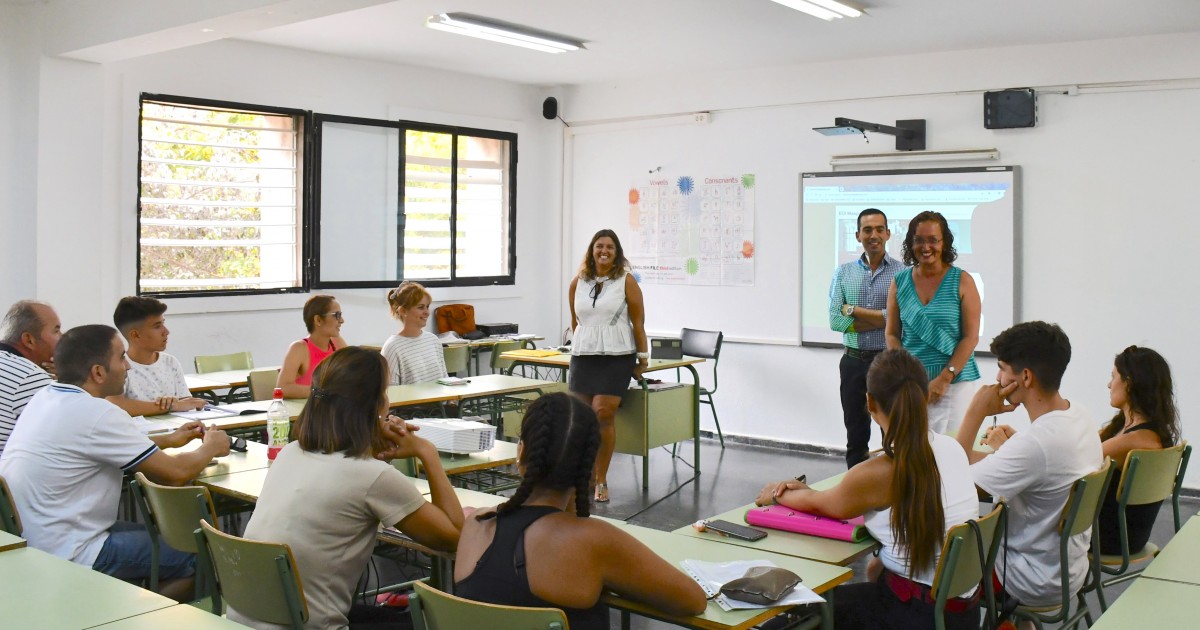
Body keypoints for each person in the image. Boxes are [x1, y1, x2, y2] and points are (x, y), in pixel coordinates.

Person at [226, 346, 463, 630]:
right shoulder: (372, 477)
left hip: (249, 620)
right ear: (374, 406)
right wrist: (427, 452)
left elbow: (345, 480)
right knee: (435, 622)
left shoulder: (290, 453)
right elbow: (454, 539)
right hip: (306, 626)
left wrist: (371, 445)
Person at [0, 324, 229, 601]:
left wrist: (169, 440)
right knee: (199, 553)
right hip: (72, 549)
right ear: (98, 372)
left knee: (168, 538)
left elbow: (94, 444)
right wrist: (211, 447)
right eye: (121, 357)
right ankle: (137, 615)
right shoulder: (98, 412)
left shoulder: (46, 397)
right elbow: (175, 473)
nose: (128, 366)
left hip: (36, 536)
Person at [754, 349, 979, 629]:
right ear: (925, 396)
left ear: (870, 401)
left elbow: (818, 504)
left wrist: (777, 495)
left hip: (915, 615)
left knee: (785, 623)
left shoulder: (880, 471)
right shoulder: (952, 448)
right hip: (961, 615)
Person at [455, 393, 706, 628]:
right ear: (589, 468)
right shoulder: (593, 541)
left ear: (521, 452)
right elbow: (692, 600)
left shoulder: (477, 522)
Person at [958, 321, 1103, 609]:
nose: (997, 378)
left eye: (1002, 368)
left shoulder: (1036, 444)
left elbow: (957, 485)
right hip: (1067, 569)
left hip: (1026, 578)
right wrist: (1007, 451)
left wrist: (975, 412)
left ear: (1025, 376)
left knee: (933, 566)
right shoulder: (1079, 415)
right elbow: (1030, 464)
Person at [567, 229, 649, 503]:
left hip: (617, 355)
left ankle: (601, 478)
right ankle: (583, 476)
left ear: (617, 253)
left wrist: (643, 358)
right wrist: (580, 346)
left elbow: (638, 323)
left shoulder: (627, 281)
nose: (604, 251)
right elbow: (575, 322)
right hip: (584, 355)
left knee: (602, 413)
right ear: (592, 250)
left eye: (610, 247)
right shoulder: (578, 282)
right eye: (599, 246)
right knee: (580, 419)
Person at [886, 211, 981, 435]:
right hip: (913, 384)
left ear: (944, 242)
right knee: (915, 448)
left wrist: (944, 378)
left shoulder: (963, 281)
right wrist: (906, 374)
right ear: (911, 243)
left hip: (956, 383)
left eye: (933, 240)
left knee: (955, 447)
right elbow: (892, 334)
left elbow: (970, 337)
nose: (926, 247)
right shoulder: (899, 282)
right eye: (919, 240)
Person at [829, 208, 901, 468]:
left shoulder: (902, 273)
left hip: (887, 362)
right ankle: (855, 487)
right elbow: (835, 320)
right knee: (856, 435)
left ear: (888, 234)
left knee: (892, 434)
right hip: (853, 363)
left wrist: (854, 310)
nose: (874, 235)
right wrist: (885, 318)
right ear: (858, 235)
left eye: (879, 229)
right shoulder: (843, 273)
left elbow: (901, 320)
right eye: (867, 230)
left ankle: (893, 488)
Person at [1095, 346, 1179, 554]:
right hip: (1131, 536)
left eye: (1113, 377)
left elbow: (1073, 458)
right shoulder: (1149, 431)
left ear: (1129, 383)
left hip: (1108, 538)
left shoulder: (1133, 441)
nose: (1109, 384)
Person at [107, 296, 206, 416]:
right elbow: (115, 405)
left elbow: (186, 403)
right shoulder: (119, 367)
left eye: (163, 323)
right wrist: (169, 407)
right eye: (157, 326)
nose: (166, 331)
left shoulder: (170, 362)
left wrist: (176, 404)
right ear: (135, 335)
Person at [0, 300, 61, 456]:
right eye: (56, 331)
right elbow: (73, 433)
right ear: (28, 340)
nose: (62, 338)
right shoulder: (29, 376)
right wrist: (69, 379)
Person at [277, 294, 347, 399]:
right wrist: (324, 393)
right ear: (318, 320)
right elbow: (282, 388)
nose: (341, 320)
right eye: (337, 315)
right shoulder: (299, 348)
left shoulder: (337, 343)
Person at [381, 281, 447, 385]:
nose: (427, 312)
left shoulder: (433, 340)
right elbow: (391, 391)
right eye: (420, 307)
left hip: (440, 396)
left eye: (427, 306)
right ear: (403, 311)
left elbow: (445, 380)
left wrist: (452, 396)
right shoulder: (392, 347)